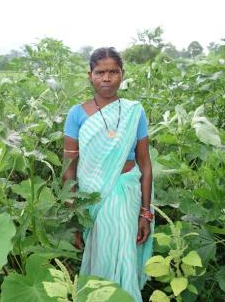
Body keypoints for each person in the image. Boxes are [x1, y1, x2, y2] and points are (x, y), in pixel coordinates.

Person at [62, 47, 154, 301]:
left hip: (126, 195)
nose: (107, 78)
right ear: (90, 75)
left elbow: (145, 164)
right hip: (92, 200)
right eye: (100, 72)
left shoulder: (135, 112)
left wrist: (146, 213)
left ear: (122, 75)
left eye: (113, 71)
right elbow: (68, 171)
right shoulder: (77, 114)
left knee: (124, 255)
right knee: (101, 258)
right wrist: (72, 217)